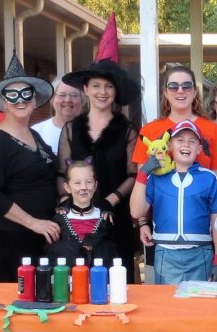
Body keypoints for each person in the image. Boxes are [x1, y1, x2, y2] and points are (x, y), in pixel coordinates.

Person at [130, 65, 217, 283]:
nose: (180, 91)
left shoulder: (211, 129)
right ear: (165, 92)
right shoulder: (149, 131)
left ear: (194, 91)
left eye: (186, 86)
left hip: (201, 232)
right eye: (173, 86)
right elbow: (143, 181)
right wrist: (143, 222)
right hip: (164, 231)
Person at [58, 58, 142, 277]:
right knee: (76, 278)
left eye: (109, 86)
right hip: (76, 217)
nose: (102, 92)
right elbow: (61, 173)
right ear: (86, 89)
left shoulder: (128, 130)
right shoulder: (70, 129)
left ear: (116, 91)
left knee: (117, 278)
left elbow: (133, 174)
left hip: (116, 216)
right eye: (96, 85)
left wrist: (109, 201)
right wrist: (67, 203)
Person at [0, 54, 58, 283]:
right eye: (12, 96)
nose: (20, 101)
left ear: (34, 101)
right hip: (13, 234)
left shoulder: (34, 134)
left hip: (41, 233)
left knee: (42, 291)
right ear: (4, 103)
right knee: (20, 293)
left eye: (26, 94)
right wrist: (33, 223)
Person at [46, 161, 118, 266]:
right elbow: (51, 254)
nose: (83, 187)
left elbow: (111, 254)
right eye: (77, 183)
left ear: (95, 185)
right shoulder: (59, 219)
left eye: (88, 182)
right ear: (67, 187)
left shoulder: (105, 218)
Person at [32, 77, 84, 153]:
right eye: (62, 95)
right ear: (52, 99)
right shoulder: (36, 132)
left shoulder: (96, 131)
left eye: (74, 95)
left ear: (82, 100)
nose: (68, 100)